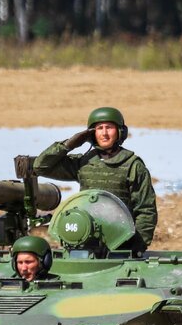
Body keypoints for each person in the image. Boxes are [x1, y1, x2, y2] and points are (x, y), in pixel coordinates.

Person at [33, 106, 157, 253]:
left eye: (109, 127)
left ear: (120, 132)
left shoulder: (133, 165)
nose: (104, 133)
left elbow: (145, 210)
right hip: (84, 237)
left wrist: (136, 248)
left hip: (120, 241)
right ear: (91, 133)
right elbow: (40, 166)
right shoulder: (84, 162)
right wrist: (69, 144)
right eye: (99, 128)